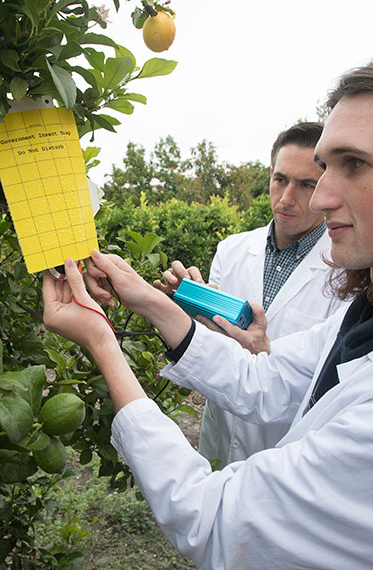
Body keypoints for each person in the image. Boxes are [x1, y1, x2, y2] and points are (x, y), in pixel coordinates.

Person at [42, 43, 373, 568]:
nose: (318, 199)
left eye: (354, 165)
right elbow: (265, 380)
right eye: (324, 166)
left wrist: (100, 342)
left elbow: (216, 523)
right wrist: (146, 299)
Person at [154, 122, 349, 467]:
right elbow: (217, 349)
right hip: (221, 439)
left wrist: (264, 349)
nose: (287, 199)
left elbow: (330, 379)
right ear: (270, 175)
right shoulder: (232, 250)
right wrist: (194, 310)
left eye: (306, 185)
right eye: (280, 180)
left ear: (327, 187)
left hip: (287, 453)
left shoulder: (347, 273)